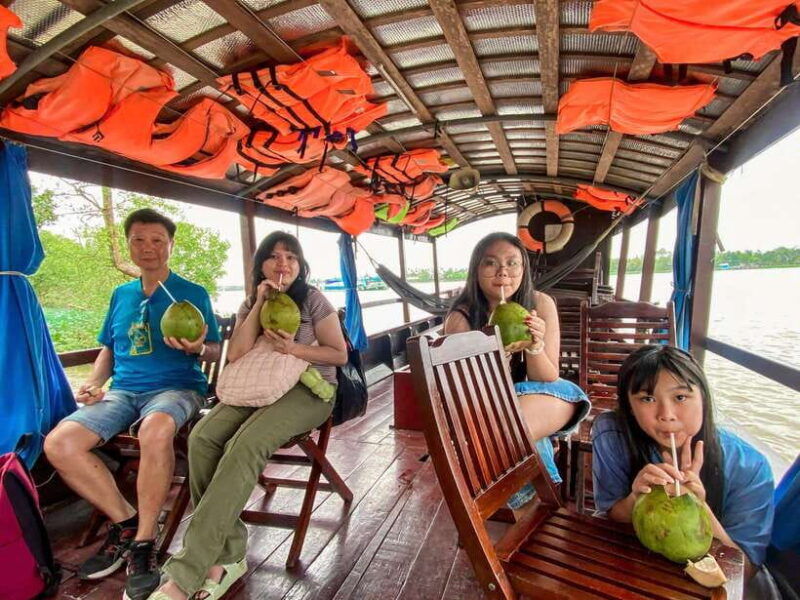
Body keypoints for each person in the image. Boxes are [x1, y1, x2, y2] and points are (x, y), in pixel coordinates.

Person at [149, 231, 347, 600]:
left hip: (309, 388)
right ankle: (230, 551)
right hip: (259, 386)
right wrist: (258, 304)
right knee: (202, 437)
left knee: (245, 444)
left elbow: (339, 355)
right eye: (273, 256)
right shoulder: (251, 302)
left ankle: (186, 573)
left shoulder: (314, 300)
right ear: (261, 267)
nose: (282, 263)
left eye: (291, 256)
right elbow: (237, 354)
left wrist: (295, 350)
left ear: (301, 265)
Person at [44, 208, 221, 600]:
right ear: (129, 245)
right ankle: (128, 520)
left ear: (171, 246)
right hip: (123, 391)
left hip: (177, 388)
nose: (148, 248)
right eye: (139, 240)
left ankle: (143, 544)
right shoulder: (120, 295)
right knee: (59, 443)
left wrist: (198, 348)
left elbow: (214, 347)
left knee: (156, 429)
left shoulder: (192, 293)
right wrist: (93, 382)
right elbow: (110, 346)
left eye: (158, 240)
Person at [592, 344, 775, 579]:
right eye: (647, 398)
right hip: (637, 567)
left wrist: (698, 506)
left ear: (703, 398)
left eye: (680, 397)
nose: (666, 414)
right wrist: (635, 498)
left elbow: (745, 571)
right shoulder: (612, 434)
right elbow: (611, 516)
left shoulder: (749, 466)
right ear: (630, 407)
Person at [443, 232, 590, 506]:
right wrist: (496, 355)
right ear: (476, 270)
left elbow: (546, 378)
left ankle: (523, 485)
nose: (503, 272)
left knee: (565, 392)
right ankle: (535, 492)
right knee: (524, 420)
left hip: (533, 400)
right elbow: (468, 396)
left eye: (513, 263)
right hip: (489, 411)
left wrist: (534, 344)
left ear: (524, 269)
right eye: (490, 263)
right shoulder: (461, 319)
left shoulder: (541, 304)